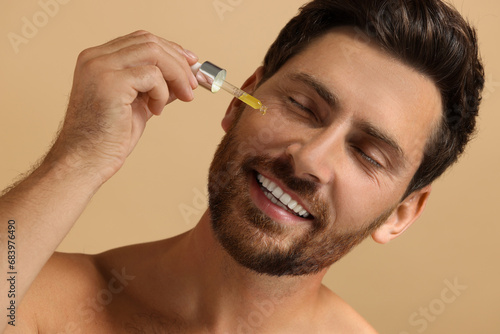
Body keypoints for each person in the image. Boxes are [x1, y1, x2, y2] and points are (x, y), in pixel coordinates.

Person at [0, 0, 484, 333]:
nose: (311, 159)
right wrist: (79, 159)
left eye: (368, 154)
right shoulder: (35, 298)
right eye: (302, 105)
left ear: (402, 214)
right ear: (238, 101)